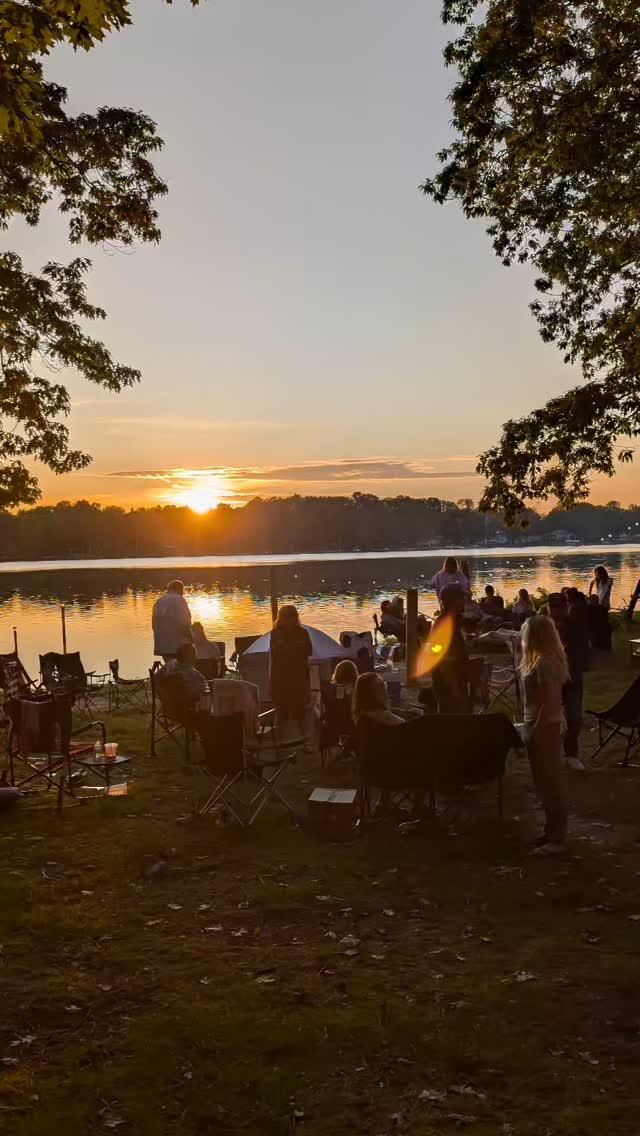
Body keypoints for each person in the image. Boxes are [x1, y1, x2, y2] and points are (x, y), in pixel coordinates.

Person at [521, 614, 570, 855]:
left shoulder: (544, 663)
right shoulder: (545, 660)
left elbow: (549, 702)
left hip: (544, 728)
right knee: (544, 782)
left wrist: (535, 731)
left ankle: (557, 839)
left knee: (550, 783)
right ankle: (551, 831)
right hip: (543, 725)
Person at [269, 605, 313, 741]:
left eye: (294, 616)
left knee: (300, 712)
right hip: (280, 678)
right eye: (287, 617)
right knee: (282, 713)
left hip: (299, 678)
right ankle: (280, 742)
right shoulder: (275, 634)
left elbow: (309, 651)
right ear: (281, 619)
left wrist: (291, 648)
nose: (291, 620)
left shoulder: (303, 633)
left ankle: (304, 741)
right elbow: (276, 655)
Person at [430, 585, 472, 714]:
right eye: (461, 598)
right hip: (447, 684)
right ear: (452, 601)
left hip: (458, 679)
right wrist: (455, 688)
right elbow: (441, 658)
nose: (464, 600)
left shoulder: (456, 620)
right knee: (450, 718)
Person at [561, 589, 590, 771]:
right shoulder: (545, 626)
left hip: (573, 677)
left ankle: (571, 754)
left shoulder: (576, 623)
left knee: (574, 718)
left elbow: (582, 648)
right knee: (548, 718)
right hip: (552, 677)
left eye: (564, 604)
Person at [152, 580, 192, 660]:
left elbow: (154, 624)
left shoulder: (159, 601)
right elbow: (185, 622)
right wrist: (191, 638)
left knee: (169, 664)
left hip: (162, 645)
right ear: (180, 589)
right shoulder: (179, 599)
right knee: (181, 665)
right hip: (178, 645)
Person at [163, 642, 209, 707]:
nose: (196, 657)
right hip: (192, 707)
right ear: (189, 657)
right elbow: (203, 692)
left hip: (171, 706)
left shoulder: (169, 664)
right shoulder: (192, 674)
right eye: (194, 655)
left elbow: (156, 679)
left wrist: (164, 698)